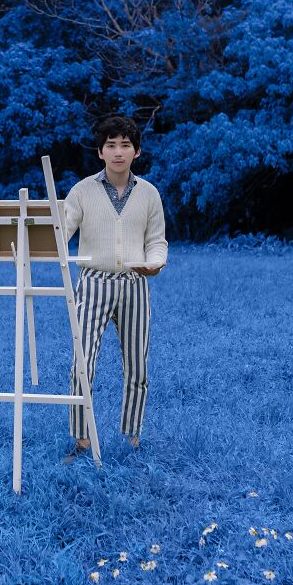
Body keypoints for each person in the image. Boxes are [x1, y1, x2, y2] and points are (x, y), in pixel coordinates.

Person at [62, 114, 168, 463]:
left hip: (136, 284)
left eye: (125, 145)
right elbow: (61, 233)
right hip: (93, 282)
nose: (118, 152)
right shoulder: (81, 192)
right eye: (111, 145)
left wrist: (154, 262)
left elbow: (156, 241)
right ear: (100, 151)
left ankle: (132, 437)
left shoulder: (149, 194)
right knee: (83, 361)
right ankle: (81, 440)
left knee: (137, 365)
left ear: (137, 151)